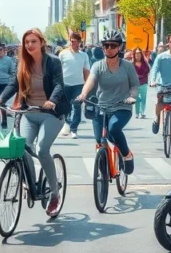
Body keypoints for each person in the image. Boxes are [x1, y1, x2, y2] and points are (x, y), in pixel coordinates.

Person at [0, 28, 68, 216]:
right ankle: (32, 184)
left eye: (33, 41)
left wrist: (53, 101)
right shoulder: (21, 63)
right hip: (29, 112)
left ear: (41, 43)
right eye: (27, 42)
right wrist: (0, 100)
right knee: (21, 147)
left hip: (52, 113)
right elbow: (13, 84)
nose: (30, 45)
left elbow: (59, 84)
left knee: (42, 150)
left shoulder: (53, 62)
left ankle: (55, 194)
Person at [77, 30, 139, 173]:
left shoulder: (127, 66)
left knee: (114, 128)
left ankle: (126, 154)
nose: (109, 49)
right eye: (106, 45)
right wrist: (83, 94)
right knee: (100, 139)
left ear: (120, 47)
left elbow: (135, 85)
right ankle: (103, 167)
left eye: (113, 45)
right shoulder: (98, 66)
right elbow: (91, 81)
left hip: (122, 107)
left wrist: (132, 97)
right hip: (101, 107)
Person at [57, 33, 90, 137]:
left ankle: (74, 129)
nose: (72, 43)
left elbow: (86, 71)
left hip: (78, 84)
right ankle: (67, 122)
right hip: (65, 84)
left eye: (74, 41)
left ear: (79, 42)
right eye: (71, 41)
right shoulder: (63, 54)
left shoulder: (83, 55)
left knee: (76, 106)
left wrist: (87, 86)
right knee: (65, 107)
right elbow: (58, 70)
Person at [0, 43, 17, 131]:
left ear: (4, 50)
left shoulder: (9, 60)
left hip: (5, 83)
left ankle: (4, 120)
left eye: (1, 50)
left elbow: (12, 71)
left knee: (2, 103)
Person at [131, 48, 151, 119]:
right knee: (137, 99)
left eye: (139, 53)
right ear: (134, 55)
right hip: (135, 84)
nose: (138, 55)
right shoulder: (131, 64)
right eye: (136, 53)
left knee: (143, 98)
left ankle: (142, 113)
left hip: (144, 83)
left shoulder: (145, 63)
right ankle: (137, 113)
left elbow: (148, 71)